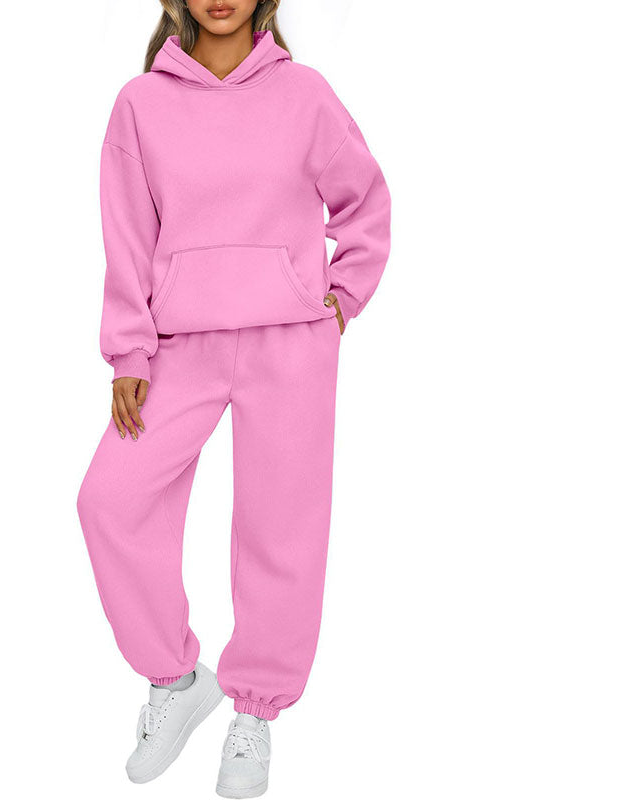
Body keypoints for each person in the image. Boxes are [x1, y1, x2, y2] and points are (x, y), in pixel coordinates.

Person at [76, 1, 391, 796]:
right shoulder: (140, 104)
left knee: (281, 527)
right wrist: (128, 350)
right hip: (178, 345)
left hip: (289, 340)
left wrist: (342, 297)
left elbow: (366, 201)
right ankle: (176, 680)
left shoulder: (305, 95)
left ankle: (255, 712)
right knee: (110, 500)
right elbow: (126, 235)